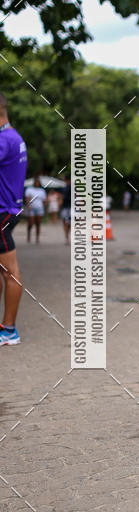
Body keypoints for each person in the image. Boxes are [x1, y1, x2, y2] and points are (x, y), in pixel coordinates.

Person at [0, 92, 27, 345]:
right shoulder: (13, 136)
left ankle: (9, 331)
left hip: (2, 212)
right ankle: (5, 328)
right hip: (10, 209)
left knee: (10, 272)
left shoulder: (3, 140)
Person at [25, 176, 47, 243]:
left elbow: (44, 200)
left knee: (38, 223)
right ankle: (29, 234)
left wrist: (45, 206)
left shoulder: (42, 191)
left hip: (39, 208)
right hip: (32, 208)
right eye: (36, 182)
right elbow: (27, 198)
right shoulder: (29, 189)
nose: (37, 183)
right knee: (31, 223)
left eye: (38, 182)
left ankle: (37, 238)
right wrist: (28, 205)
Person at [59, 175, 72, 243]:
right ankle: (67, 236)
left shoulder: (69, 188)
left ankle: (67, 236)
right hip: (66, 207)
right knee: (66, 222)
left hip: (69, 207)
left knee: (67, 222)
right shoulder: (63, 188)